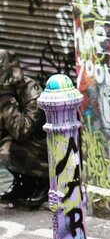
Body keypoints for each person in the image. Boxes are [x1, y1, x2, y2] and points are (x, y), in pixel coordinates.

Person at [0, 49, 49, 208]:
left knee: (7, 149)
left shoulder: (31, 91)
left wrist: (6, 101)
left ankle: (43, 183)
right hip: (21, 141)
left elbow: (22, 132)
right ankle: (23, 185)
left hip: (42, 146)